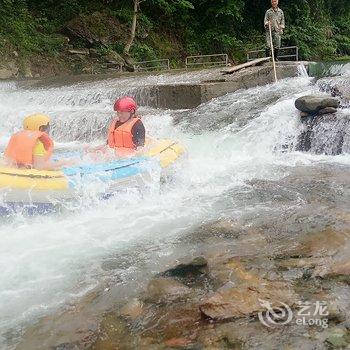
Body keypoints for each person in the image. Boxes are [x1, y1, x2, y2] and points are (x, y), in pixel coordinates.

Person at [4, 113, 73, 170]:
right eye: (47, 127)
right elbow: (39, 167)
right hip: (26, 174)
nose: (49, 130)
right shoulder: (38, 144)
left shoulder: (18, 139)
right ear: (41, 128)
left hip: (13, 168)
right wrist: (61, 163)